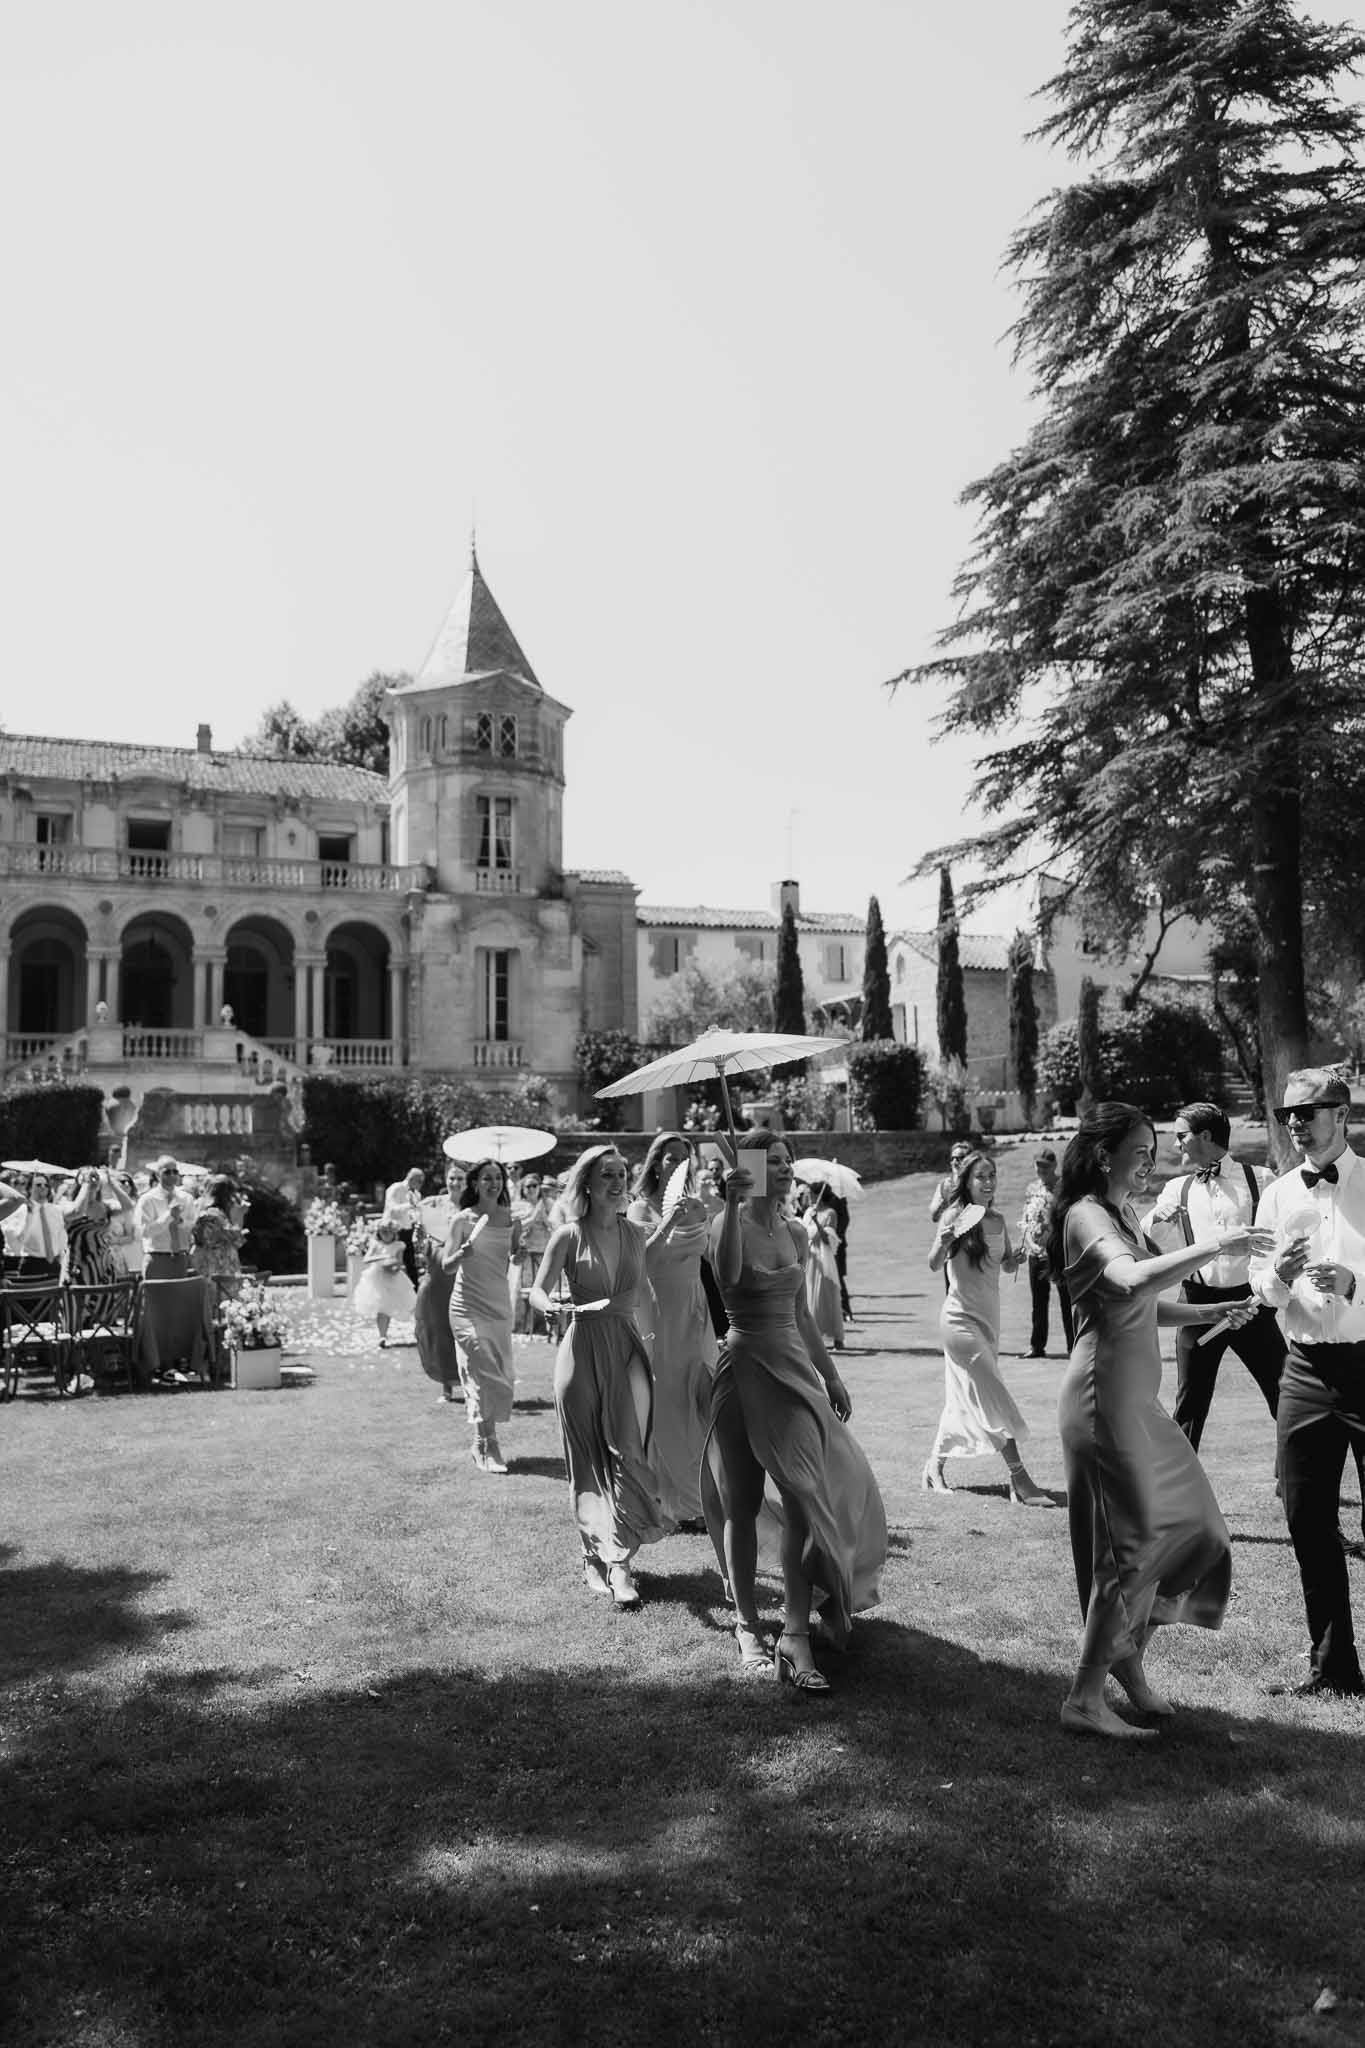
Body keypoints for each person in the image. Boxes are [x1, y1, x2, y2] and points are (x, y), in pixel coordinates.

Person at [1050, 1101, 1270, 1739]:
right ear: (1103, 1154)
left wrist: (1216, 1311)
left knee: (1197, 1529)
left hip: (1136, 1404)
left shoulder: (1119, 1214)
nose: (1152, 1160)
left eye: (1154, 1149)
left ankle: (1128, 1661)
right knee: (1128, 1548)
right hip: (1103, 1401)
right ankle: (1084, 1698)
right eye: (1142, 1149)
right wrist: (1216, 1244)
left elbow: (1147, 1302)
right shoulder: (1087, 1214)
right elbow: (1129, 1281)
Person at [701, 1130, 887, 1689]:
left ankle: (796, 1630)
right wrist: (732, 1205)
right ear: (750, 1169)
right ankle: (746, 1624)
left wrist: (830, 1373)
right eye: (772, 1162)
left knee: (807, 1496)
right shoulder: (723, 1225)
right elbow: (729, 1278)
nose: (784, 1169)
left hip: (794, 1373)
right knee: (743, 1502)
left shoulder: (797, 1230)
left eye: (787, 1161)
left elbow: (804, 1315)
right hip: (743, 1366)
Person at [1248, 1069, 1365, 1697]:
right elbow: (1258, 1286)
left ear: (1341, 1115)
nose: (1293, 1122)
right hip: (1303, 1371)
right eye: (1283, 1112)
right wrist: (1278, 1276)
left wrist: (1358, 1287)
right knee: (1305, 1517)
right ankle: (1333, 1669)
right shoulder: (1276, 1192)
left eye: (1307, 1111)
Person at [529, 1145, 667, 1608]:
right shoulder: (568, 1235)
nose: (616, 1181)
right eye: (606, 1174)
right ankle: (600, 1557)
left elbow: (646, 1290)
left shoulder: (635, 1235)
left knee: (629, 1453)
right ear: (587, 1183)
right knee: (587, 1459)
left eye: (621, 1173)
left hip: (625, 1350)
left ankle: (618, 1558)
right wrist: (548, 1306)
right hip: (581, 1350)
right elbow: (537, 1291)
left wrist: (655, 1343)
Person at [924, 1150, 1053, 1504]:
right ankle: (1019, 1478)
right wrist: (944, 1240)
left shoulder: (996, 1221)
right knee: (992, 1393)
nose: (988, 1182)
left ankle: (933, 1466)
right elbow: (934, 1264)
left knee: (964, 1399)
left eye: (991, 1175)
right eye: (980, 1176)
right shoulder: (954, 1216)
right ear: (966, 1181)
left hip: (988, 1321)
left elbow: (1006, 1265)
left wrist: (1016, 1259)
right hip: (958, 1321)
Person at [627, 1132, 717, 1528]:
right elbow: (642, 1261)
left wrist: (702, 1213)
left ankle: (699, 1496)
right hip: (659, 1313)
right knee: (666, 1402)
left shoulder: (699, 1206)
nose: (677, 1165)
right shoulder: (639, 1209)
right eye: (669, 1158)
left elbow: (713, 1254)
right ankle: (666, 1498)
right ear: (655, 1162)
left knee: (700, 1398)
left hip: (695, 1310)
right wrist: (671, 1219)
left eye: (684, 1158)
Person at [443, 1159, 522, 1472]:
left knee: (498, 1375)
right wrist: (461, 1254)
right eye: (487, 1178)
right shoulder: (462, 1219)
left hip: (499, 1307)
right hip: (466, 1308)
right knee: (481, 1371)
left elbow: (514, 1255)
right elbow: (447, 1265)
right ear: (474, 1183)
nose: (493, 1183)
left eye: (498, 1178)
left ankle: (481, 1442)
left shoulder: (511, 1219)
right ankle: (487, 1444)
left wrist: (520, 1253)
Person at [414, 1161, 463, 1402]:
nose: (455, 1183)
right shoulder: (433, 1206)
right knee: (439, 1329)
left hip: (463, 1274)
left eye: (460, 1179)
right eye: (452, 1178)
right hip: (436, 1273)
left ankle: (472, 1382)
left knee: (463, 1331)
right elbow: (422, 1235)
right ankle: (446, 1385)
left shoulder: (473, 1208)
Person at [1018, 1148, 1073, 1357]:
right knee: (1038, 1302)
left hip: (1058, 1253)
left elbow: (1068, 1219)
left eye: (1046, 1166)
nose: (1041, 1170)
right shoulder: (1032, 1189)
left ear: (1054, 1166)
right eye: (1038, 1165)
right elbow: (1026, 1219)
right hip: (1036, 1252)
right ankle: (1037, 1346)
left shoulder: (1063, 1188)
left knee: (1066, 1301)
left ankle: (1073, 1347)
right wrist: (1030, 1243)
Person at [61, 1167, 135, 1287]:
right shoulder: (66, 1205)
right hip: (77, 1267)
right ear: (78, 1182)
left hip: (103, 1268)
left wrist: (112, 1183)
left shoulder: (106, 1206)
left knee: (105, 1304)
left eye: (95, 1177)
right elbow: (78, 1211)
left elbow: (128, 1206)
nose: (93, 1179)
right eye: (88, 1177)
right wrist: (86, 1183)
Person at [353, 1217, 418, 1351]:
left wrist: (394, 1267)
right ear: (379, 1232)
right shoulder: (376, 1244)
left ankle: (418, 1329)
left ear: (394, 1233)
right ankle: (382, 1336)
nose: (386, 1234)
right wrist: (383, 1258)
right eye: (383, 1232)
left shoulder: (399, 1245)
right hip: (377, 1277)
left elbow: (399, 1261)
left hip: (394, 1277)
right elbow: (367, 1259)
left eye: (388, 1231)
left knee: (403, 1304)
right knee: (381, 1307)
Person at [799, 1184, 845, 1350]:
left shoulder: (830, 1213)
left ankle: (837, 1338)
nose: (809, 1196)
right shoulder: (808, 1213)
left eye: (811, 1194)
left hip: (824, 1260)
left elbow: (828, 1240)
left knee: (826, 1297)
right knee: (810, 1299)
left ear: (819, 1195)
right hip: (810, 1259)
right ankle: (812, 1339)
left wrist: (817, 1222)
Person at [512, 1170, 556, 1336]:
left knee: (541, 1289)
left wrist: (542, 1214)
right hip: (524, 1252)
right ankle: (523, 1327)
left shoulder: (548, 1204)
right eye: (527, 1186)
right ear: (523, 1189)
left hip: (543, 1251)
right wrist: (532, 1217)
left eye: (534, 1185)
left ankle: (540, 1328)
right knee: (524, 1290)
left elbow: (553, 1225)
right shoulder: (518, 1206)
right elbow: (517, 1226)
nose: (531, 1189)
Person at [134, 1159, 196, 1278]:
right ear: (158, 1175)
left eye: (175, 1171)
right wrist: (168, 1216)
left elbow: (193, 1226)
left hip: (181, 1257)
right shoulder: (147, 1199)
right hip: (157, 1257)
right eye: (167, 1172)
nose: (172, 1175)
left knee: (180, 1296)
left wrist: (181, 1222)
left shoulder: (187, 1198)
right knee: (155, 1296)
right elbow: (143, 1232)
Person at [189, 1174, 247, 1298]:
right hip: (216, 1270)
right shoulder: (213, 1215)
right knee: (218, 1307)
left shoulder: (209, 1212)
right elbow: (237, 1241)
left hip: (213, 1268)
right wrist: (240, 1215)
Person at [2, 1173, 68, 1281]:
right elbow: (15, 1243)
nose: (43, 1187)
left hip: (53, 1266)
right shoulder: (19, 1210)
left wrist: (63, 1265)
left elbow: (61, 1240)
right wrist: (30, 1217)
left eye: (46, 1185)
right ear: (29, 1189)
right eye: (38, 1185)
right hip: (29, 1264)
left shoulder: (55, 1210)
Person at [383, 1167, 426, 1288]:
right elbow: (392, 1209)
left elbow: (417, 1213)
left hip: (408, 1230)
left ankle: (415, 1291)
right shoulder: (396, 1188)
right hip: (392, 1231)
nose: (421, 1185)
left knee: (411, 1262)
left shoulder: (417, 1194)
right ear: (411, 1178)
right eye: (420, 1181)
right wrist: (409, 1205)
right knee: (392, 1261)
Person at [929, 1142, 974, 1223]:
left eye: (960, 1158)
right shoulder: (944, 1185)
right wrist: (946, 1199)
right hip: (948, 1233)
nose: (954, 1162)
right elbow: (934, 1217)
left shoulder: (976, 1184)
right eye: (952, 1158)